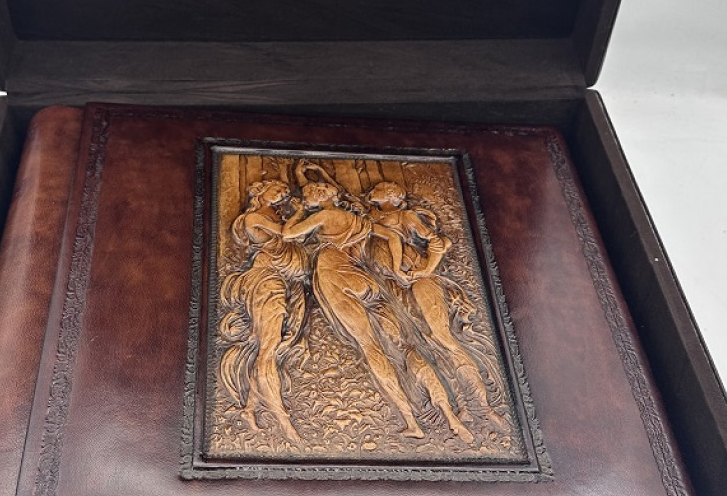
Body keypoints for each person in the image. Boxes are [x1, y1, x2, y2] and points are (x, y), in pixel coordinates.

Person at [282, 181, 473, 444]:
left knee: (371, 347)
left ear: (317, 196)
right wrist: (397, 270)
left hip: (336, 278)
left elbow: (288, 234)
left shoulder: (324, 216)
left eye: (307, 196)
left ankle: (411, 421)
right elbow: (392, 237)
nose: (305, 200)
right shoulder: (357, 220)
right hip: (364, 279)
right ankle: (450, 416)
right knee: (405, 347)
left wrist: (297, 213)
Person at [365, 180, 511, 436]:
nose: (372, 191)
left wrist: (426, 270)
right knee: (425, 346)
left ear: (390, 194)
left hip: (419, 282)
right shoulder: (369, 219)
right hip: (395, 288)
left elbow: (439, 242)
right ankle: (461, 405)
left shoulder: (406, 217)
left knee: (442, 339)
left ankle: (484, 406)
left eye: (378, 188)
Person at [218, 179, 308, 441]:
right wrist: (301, 212)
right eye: (277, 189)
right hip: (267, 281)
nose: (282, 193)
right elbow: (287, 233)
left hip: (286, 283)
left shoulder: (276, 216)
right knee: (268, 350)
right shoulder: (253, 218)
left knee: (271, 348)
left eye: (284, 191)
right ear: (259, 192)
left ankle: (250, 408)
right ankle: (284, 422)